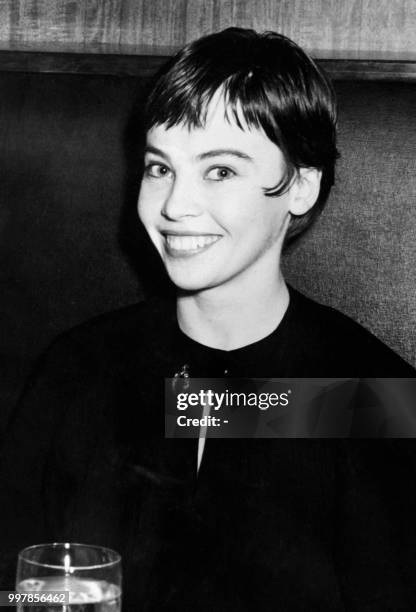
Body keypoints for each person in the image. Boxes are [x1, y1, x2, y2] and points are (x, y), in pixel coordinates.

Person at [1, 27, 415, 611]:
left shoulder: (369, 395)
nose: (174, 206)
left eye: (219, 170)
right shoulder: (78, 370)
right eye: (159, 167)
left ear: (300, 186)